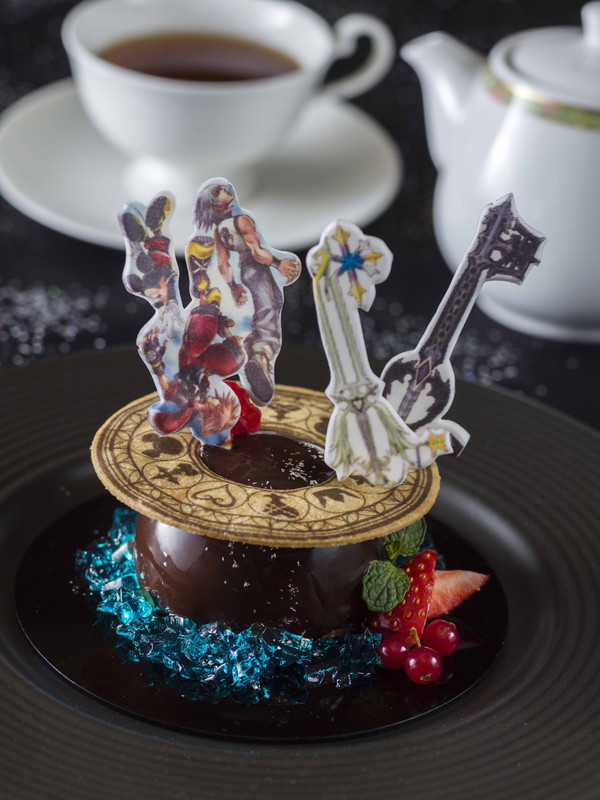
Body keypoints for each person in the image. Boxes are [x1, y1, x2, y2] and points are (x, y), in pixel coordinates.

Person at [193, 180, 301, 405]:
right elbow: (258, 252)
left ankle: (254, 353)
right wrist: (278, 263)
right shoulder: (242, 220)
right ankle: (260, 355)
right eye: (218, 191)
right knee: (270, 309)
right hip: (259, 269)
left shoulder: (218, 231)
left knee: (264, 310)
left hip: (244, 271)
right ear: (215, 202)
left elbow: (223, 265)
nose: (226, 190)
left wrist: (234, 287)